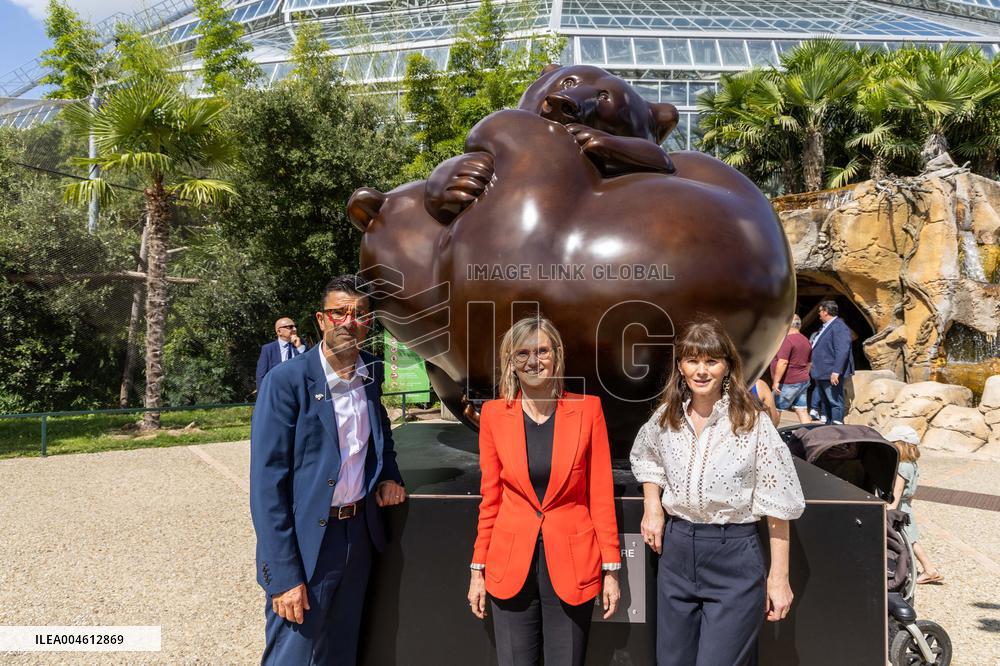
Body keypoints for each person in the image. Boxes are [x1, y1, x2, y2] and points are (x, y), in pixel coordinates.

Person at [250, 275, 407, 665]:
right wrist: (285, 576)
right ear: (321, 320)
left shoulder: (370, 372)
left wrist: (388, 473)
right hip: (308, 544)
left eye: (359, 315)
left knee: (340, 651)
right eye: (339, 313)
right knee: (293, 654)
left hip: (358, 535)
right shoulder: (285, 381)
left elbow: (378, 430)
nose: (348, 322)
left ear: (369, 323)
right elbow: (266, 486)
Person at [630, 317, 806, 666]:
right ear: (680, 366)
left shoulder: (752, 423)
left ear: (727, 366)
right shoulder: (667, 418)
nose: (701, 370)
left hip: (733, 559)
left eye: (711, 361)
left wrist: (779, 578)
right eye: (692, 360)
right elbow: (647, 457)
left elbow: (778, 505)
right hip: (676, 554)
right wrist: (653, 506)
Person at [467, 316, 621, 666]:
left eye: (542, 351)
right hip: (510, 565)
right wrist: (478, 568)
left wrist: (611, 569)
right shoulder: (492, 415)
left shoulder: (588, 410)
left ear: (557, 354)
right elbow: (490, 498)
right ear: (511, 361)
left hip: (572, 563)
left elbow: (600, 494)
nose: (533, 361)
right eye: (522, 354)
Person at [884, 425, 944, 585]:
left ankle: (929, 569)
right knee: (910, 540)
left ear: (900, 445)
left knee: (910, 541)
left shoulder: (902, 467)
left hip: (900, 509)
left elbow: (896, 495)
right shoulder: (912, 465)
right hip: (907, 506)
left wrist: (887, 509)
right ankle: (921, 568)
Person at [808, 300, 854, 425]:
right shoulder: (826, 327)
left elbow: (842, 350)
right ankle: (829, 427)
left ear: (826, 312)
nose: (819, 314)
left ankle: (837, 427)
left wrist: (836, 371)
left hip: (830, 371)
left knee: (834, 401)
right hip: (821, 371)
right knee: (826, 402)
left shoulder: (839, 327)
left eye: (820, 311)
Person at [771, 315, 813, 424]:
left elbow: (783, 362)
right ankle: (810, 436)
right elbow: (809, 363)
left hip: (788, 382)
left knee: (774, 410)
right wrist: (803, 374)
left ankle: (772, 437)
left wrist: (776, 381)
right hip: (802, 380)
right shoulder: (805, 340)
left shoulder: (787, 340)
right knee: (802, 410)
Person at [256, 316, 309, 391]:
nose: (295, 329)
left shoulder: (302, 344)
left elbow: (309, 365)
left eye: (295, 326)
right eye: (290, 327)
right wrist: (262, 398)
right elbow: (261, 376)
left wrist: (300, 347)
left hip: (300, 390)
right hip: (278, 391)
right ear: (279, 332)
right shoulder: (268, 349)